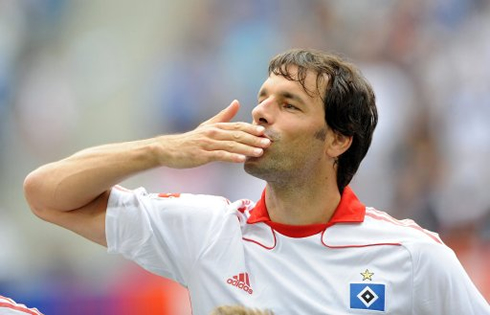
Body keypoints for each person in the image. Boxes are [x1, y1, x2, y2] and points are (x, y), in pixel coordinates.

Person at [23, 49, 489, 314]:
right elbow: (46, 195)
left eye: (289, 105)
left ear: (337, 141)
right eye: (263, 97)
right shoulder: (207, 230)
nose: (260, 111)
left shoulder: (411, 256)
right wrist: (159, 150)